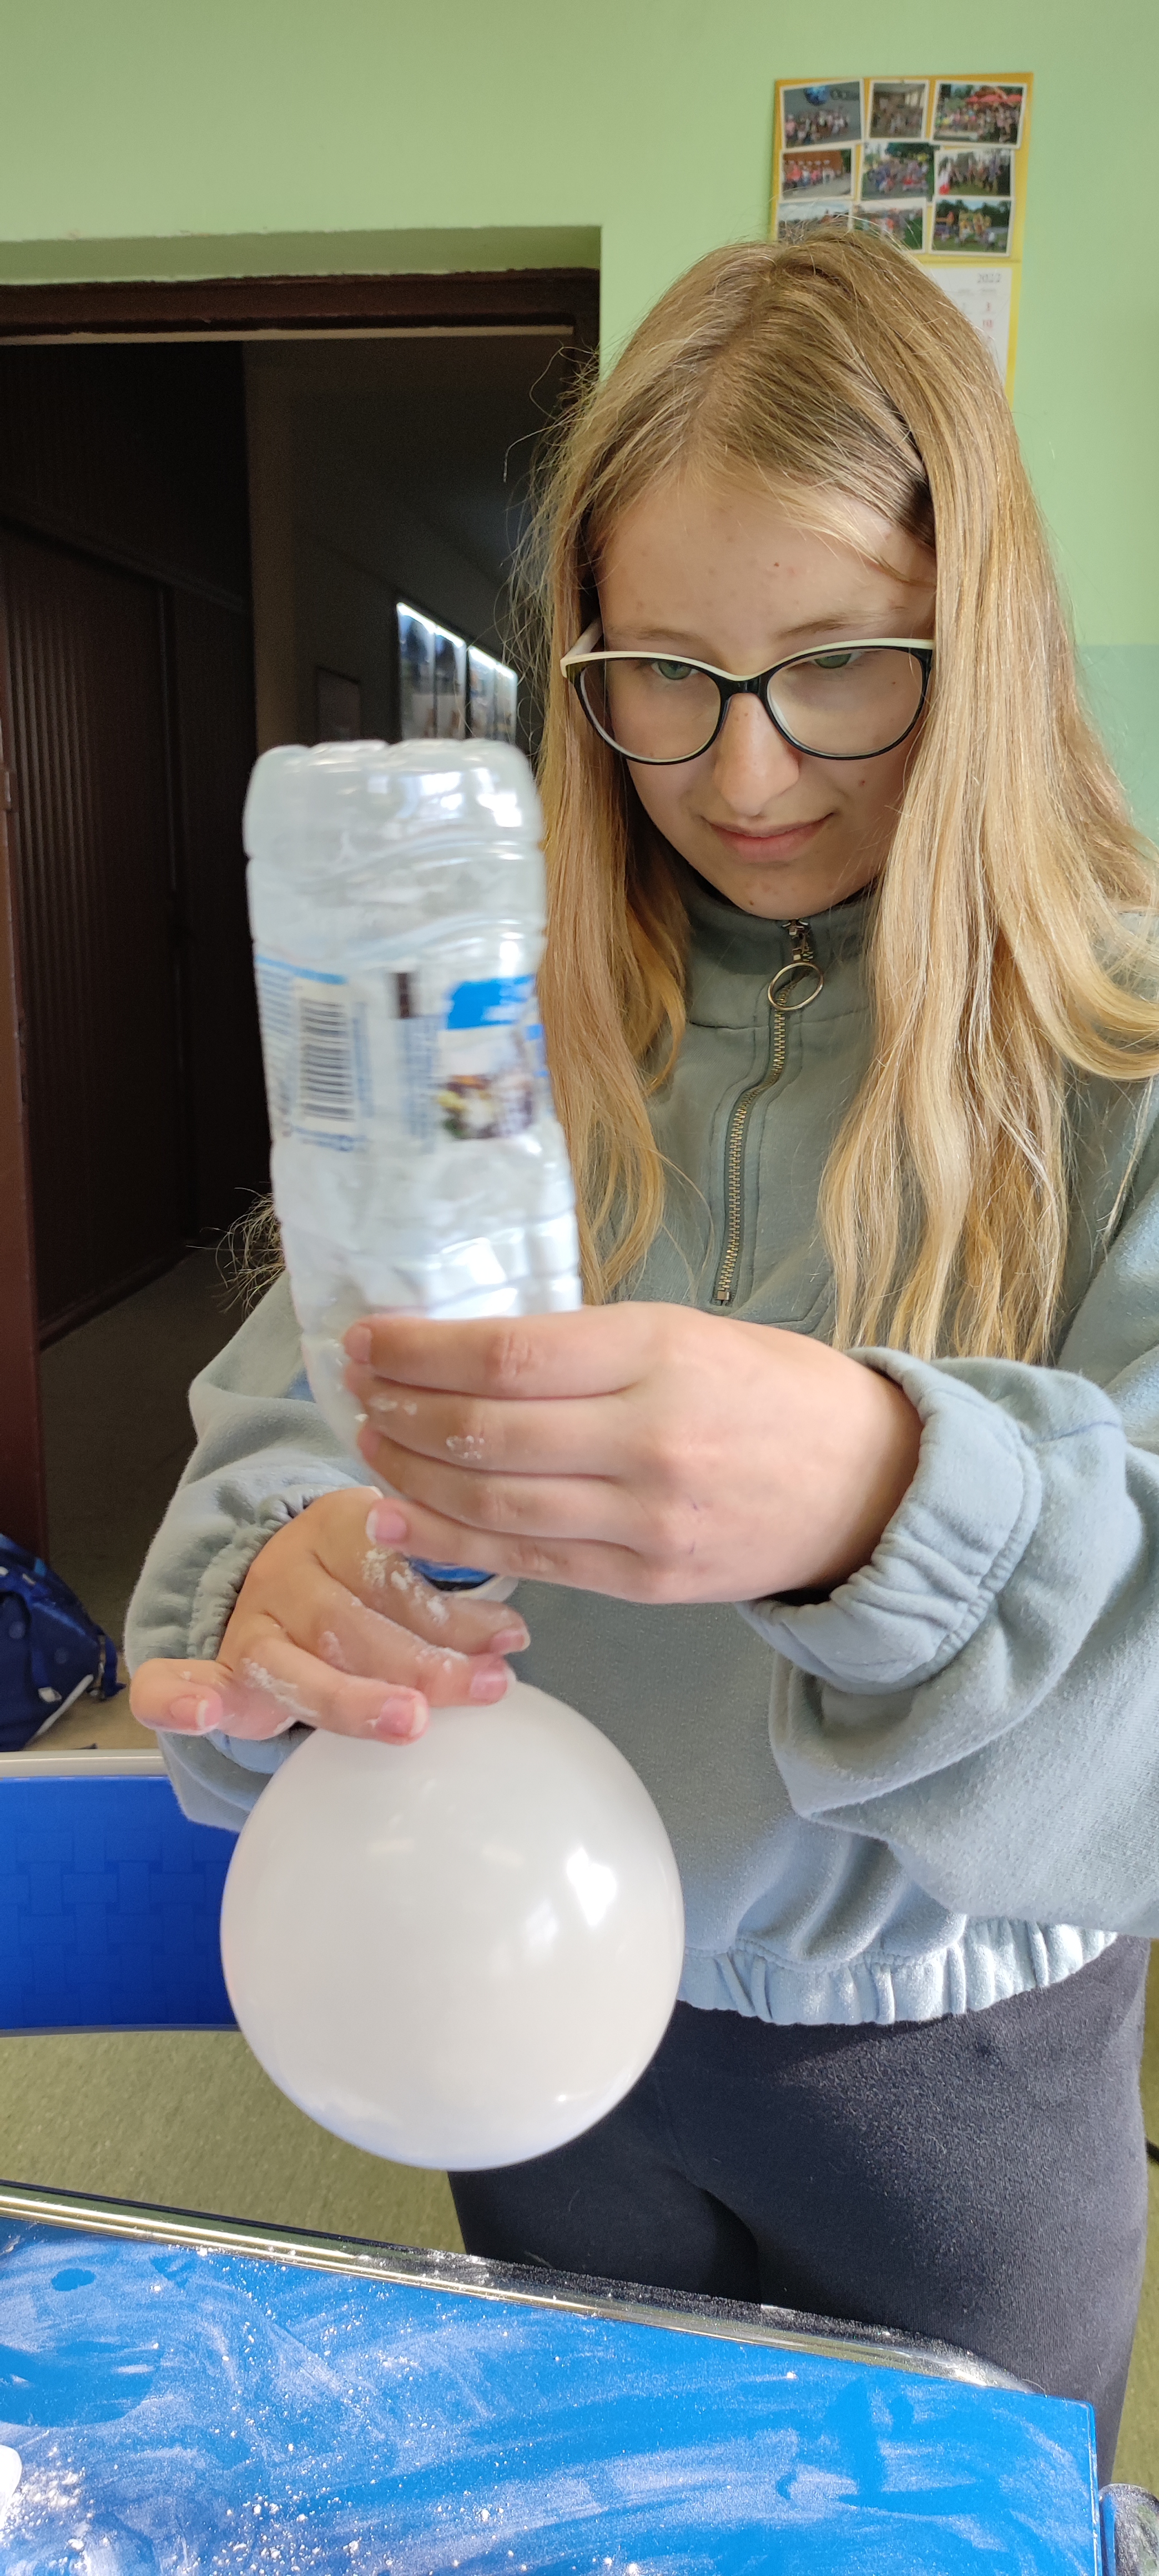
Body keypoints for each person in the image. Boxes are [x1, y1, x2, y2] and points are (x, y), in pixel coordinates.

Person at [127, 234, 1159, 2475]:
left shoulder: (1124, 1054)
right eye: (660, 676)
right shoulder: (494, 1037)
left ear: (979, 638)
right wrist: (279, 1583)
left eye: (839, 667)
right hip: (520, 2012)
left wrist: (890, 1496)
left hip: (957, 2083)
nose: (744, 767)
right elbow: (282, 1448)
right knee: (582, 2504)